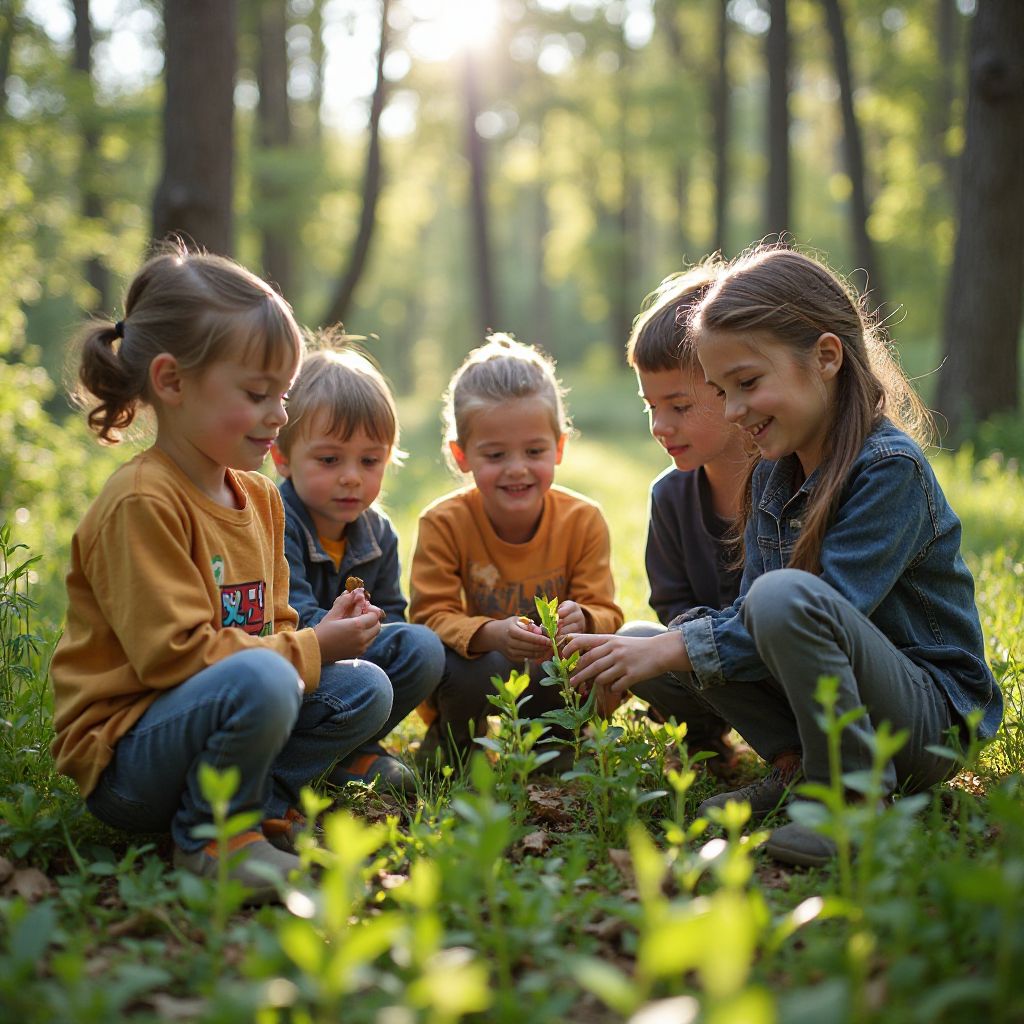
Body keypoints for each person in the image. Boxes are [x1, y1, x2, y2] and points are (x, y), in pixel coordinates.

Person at [564, 244, 1002, 866]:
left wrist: (675, 647)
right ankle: (801, 768)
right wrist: (668, 646)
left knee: (770, 601)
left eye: (746, 384)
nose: (735, 410)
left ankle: (849, 802)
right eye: (720, 391)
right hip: (840, 705)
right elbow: (753, 624)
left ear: (826, 357)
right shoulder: (774, 472)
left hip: (926, 723)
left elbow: (816, 604)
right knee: (699, 627)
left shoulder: (888, 469)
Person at [50, 248, 396, 903]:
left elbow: (278, 627)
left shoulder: (261, 498)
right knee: (271, 672)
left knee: (366, 689)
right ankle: (213, 840)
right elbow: (173, 658)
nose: (280, 416)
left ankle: (264, 805)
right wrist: (311, 649)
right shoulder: (142, 502)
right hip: (130, 757)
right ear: (172, 382)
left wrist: (324, 639)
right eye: (257, 394)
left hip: (222, 713)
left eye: (284, 394)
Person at [409, 334, 623, 765]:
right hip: (481, 671)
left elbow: (608, 612)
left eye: (534, 450)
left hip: (558, 673)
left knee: (559, 661)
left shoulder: (582, 519)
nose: (517, 469)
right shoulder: (444, 522)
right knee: (474, 666)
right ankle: (456, 743)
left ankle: (557, 743)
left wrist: (584, 616)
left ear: (559, 446)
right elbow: (430, 618)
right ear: (461, 455)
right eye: (495, 454)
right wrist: (491, 634)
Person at [271, 342, 444, 793]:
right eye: (330, 460)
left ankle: (351, 751)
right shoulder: (275, 520)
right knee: (365, 678)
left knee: (423, 648)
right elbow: (286, 621)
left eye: (370, 461)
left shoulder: (377, 533)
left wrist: (373, 625)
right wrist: (338, 635)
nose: (352, 476)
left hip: (357, 671)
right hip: (292, 675)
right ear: (283, 457)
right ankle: (290, 767)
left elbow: (393, 612)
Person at [616, 263, 750, 772]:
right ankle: (705, 736)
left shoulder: (786, 484)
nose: (659, 426)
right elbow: (671, 604)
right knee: (633, 639)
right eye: (650, 406)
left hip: (785, 664)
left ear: (729, 386)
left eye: (678, 405)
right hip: (711, 664)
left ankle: (795, 745)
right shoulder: (670, 496)